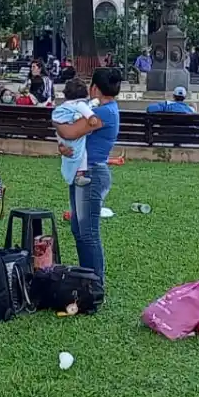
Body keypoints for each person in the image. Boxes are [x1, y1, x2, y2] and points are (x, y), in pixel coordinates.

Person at [55, 68, 121, 282]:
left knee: (88, 233)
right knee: (79, 229)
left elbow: (69, 132)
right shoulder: (105, 109)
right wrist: (64, 148)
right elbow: (73, 140)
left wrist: (55, 120)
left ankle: (94, 282)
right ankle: (87, 278)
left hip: (91, 174)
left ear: (94, 88)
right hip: (84, 172)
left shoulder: (103, 112)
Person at [52, 78, 100, 187]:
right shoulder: (80, 104)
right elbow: (87, 111)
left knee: (69, 154)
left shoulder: (64, 107)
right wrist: (92, 117)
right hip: (74, 135)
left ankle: (73, 174)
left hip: (62, 135)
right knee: (82, 154)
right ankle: (79, 174)